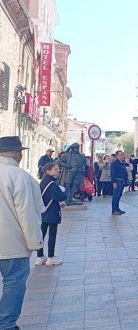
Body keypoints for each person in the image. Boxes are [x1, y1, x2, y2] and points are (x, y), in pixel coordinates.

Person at [0, 136, 43, 330]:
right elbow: (28, 213)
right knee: (14, 282)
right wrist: (35, 243)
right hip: (11, 243)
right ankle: (6, 323)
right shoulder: (19, 176)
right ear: (18, 154)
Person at [36, 162, 67, 266]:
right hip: (52, 212)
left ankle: (39, 257)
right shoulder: (52, 184)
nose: (58, 170)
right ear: (48, 171)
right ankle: (50, 257)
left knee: (42, 234)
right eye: (55, 169)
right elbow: (59, 196)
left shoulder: (43, 181)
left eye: (58, 169)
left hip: (43, 211)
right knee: (52, 235)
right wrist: (64, 193)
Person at [111, 151, 128, 215]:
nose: (123, 156)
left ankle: (117, 209)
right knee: (116, 196)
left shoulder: (122, 163)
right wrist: (114, 182)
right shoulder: (114, 163)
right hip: (117, 181)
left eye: (123, 154)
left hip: (122, 181)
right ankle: (114, 210)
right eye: (121, 154)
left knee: (119, 196)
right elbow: (113, 173)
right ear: (117, 156)